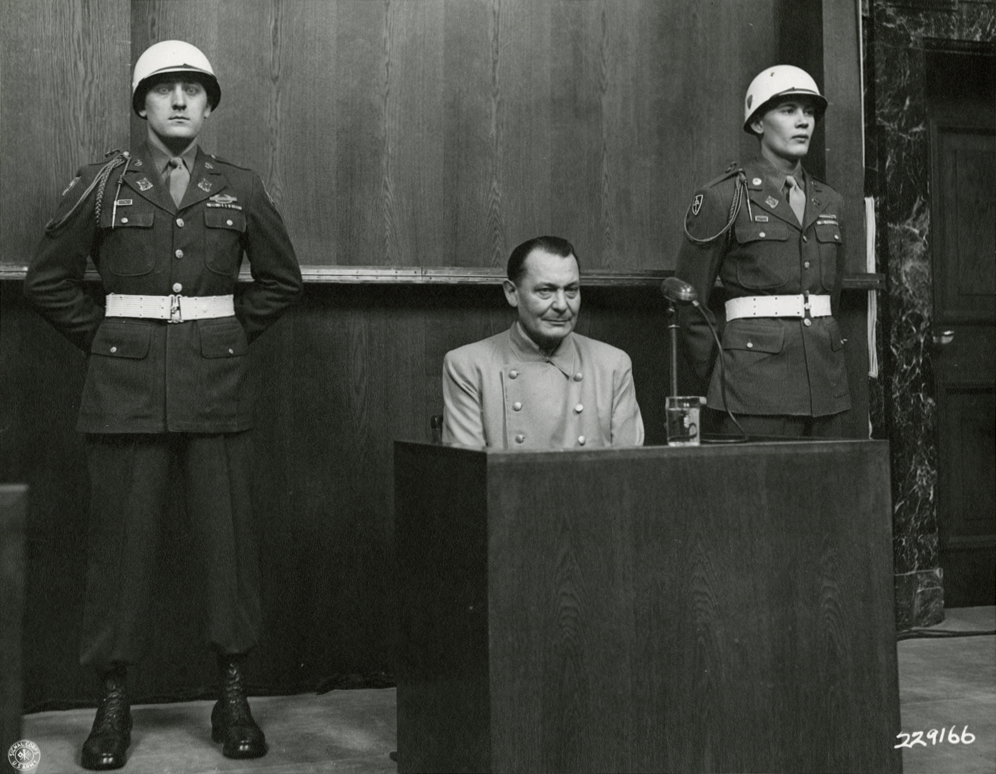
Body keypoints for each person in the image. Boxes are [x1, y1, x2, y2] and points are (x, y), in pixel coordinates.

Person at [24, 40, 302, 770]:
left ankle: (232, 692)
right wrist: (113, 341)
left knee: (228, 548)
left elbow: (282, 281)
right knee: (119, 553)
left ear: (209, 105)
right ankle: (112, 702)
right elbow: (46, 282)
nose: (180, 101)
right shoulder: (101, 184)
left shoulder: (240, 185)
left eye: (194, 90)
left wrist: (226, 338)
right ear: (141, 104)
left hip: (217, 391)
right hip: (126, 394)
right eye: (164, 88)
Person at [674, 64, 850, 438]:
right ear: (757, 123)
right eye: (788, 111)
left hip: (824, 385)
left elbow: (830, 295)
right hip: (750, 391)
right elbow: (688, 301)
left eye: (809, 112)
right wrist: (726, 371)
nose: (803, 122)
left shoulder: (830, 201)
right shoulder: (724, 197)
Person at [442, 236, 644, 449]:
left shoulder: (613, 365)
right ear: (512, 293)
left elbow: (628, 471)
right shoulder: (467, 366)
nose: (561, 305)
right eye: (545, 291)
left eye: (571, 290)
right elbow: (469, 473)